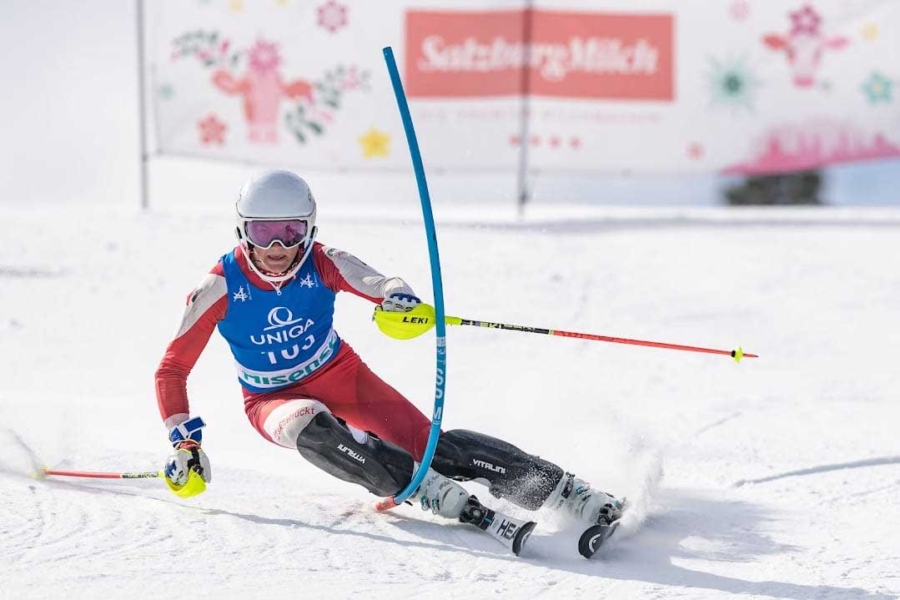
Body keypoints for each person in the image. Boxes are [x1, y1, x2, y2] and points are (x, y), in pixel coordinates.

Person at [155, 170, 623, 533]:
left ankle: (567, 492)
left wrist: (399, 298)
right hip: (271, 398)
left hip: (341, 375)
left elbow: (382, 283)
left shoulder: (322, 261)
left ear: (309, 228)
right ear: (243, 230)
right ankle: (424, 490)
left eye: (291, 230)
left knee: (435, 448)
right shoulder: (219, 286)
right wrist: (184, 443)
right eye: (263, 233)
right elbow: (171, 370)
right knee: (307, 426)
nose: (277, 247)